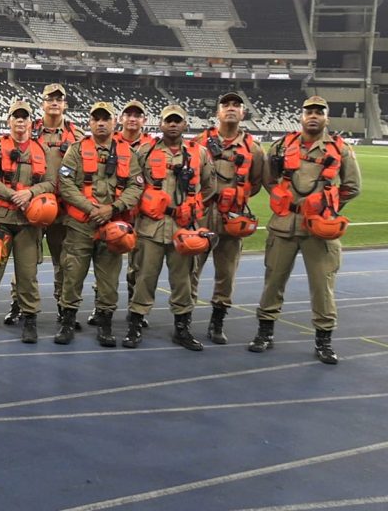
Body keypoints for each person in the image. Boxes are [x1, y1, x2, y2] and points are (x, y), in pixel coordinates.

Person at [251, 96, 361, 364]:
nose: (313, 116)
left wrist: (328, 206)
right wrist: (282, 200)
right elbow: (267, 179)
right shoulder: (280, 146)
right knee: (273, 281)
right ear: (301, 116)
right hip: (284, 226)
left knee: (323, 285)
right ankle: (265, 332)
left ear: (327, 117)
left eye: (319, 112)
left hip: (320, 230)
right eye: (309, 111)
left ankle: (323, 341)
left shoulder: (340, 149)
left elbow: (352, 186)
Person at [123, 104, 214, 351]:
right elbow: (133, 183)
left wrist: (193, 209)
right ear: (160, 124)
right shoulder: (144, 151)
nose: (173, 125)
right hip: (150, 228)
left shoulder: (200, 153)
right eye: (168, 121)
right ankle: (136, 323)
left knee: (183, 280)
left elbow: (209, 187)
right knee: (144, 277)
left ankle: (182, 328)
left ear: (185, 125)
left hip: (183, 229)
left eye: (178, 121)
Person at [56, 102, 143, 346]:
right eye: (96, 119)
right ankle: (67, 321)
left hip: (113, 227)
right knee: (72, 275)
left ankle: (105, 324)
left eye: (106, 119)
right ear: (90, 123)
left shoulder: (128, 153)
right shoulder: (75, 150)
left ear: (114, 122)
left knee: (108, 280)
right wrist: (92, 209)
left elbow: (137, 186)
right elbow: (66, 184)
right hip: (80, 225)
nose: (101, 123)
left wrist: (112, 209)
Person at [0, 101, 55, 343]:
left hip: (29, 224)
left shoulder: (42, 150)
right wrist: (13, 195)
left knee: (27, 274)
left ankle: (30, 319)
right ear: (9, 121)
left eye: (24, 117)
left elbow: (51, 183)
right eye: (15, 117)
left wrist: (30, 193)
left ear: (31, 122)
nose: (20, 121)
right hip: (0, 222)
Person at [4, 84, 81, 326]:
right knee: (26, 261)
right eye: (50, 99)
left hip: (63, 210)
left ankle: (63, 305)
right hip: (32, 207)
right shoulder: (29, 129)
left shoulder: (76, 136)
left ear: (65, 104)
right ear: (43, 103)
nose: (55, 103)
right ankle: (18, 304)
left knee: (64, 261)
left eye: (59, 99)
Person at [191, 92, 265, 344]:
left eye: (236, 105)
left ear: (243, 113)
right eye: (226, 105)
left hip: (232, 219)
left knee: (227, 274)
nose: (231, 109)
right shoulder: (199, 142)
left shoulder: (253, 148)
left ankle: (217, 320)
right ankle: (184, 318)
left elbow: (256, 183)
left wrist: (236, 198)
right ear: (217, 112)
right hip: (201, 217)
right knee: (191, 270)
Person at [87, 100, 154, 328]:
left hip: (141, 214)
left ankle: (136, 311)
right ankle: (101, 306)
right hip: (112, 214)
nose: (133, 119)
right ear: (120, 119)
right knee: (107, 263)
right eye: (129, 114)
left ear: (145, 119)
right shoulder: (110, 144)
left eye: (138, 115)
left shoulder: (151, 146)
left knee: (139, 266)